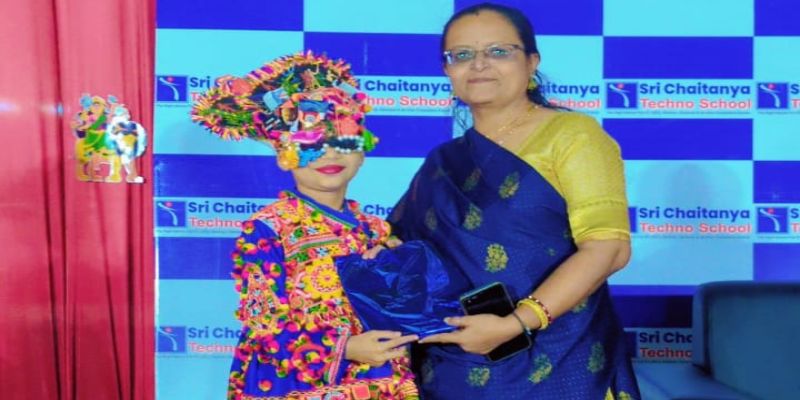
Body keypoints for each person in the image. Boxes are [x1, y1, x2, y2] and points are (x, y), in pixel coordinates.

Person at [387, 3, 641, 399]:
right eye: (462, 55)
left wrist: (516, 322)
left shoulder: (572, 136)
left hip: (564, 357)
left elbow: (608, 248)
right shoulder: (443, 160)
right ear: (447, 70)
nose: (479, 64)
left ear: (531, 62)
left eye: (498, 51)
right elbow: (400, 245)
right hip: (454, 366)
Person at [192, 51, 420, 400]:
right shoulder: (268, 229)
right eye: (310, 144)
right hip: (293, 382)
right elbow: (264, 323)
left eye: (343, 141)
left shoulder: (376, 230)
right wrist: (346, 348)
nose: (330, 154)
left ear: (362, 153)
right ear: (284, 154)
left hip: (378, 378)